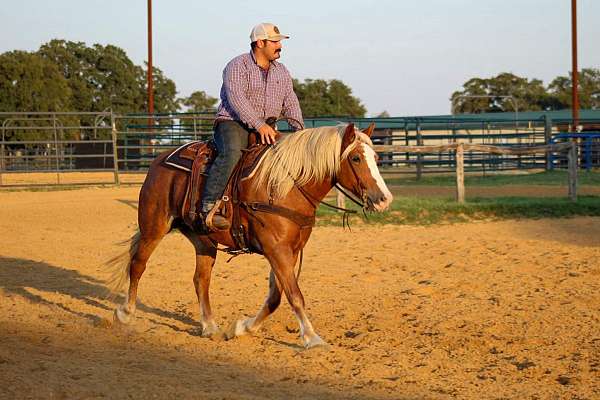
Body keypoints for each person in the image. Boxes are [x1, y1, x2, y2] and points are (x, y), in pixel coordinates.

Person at [201, 22, 304, 230]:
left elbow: (291, 102)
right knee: (232, 152)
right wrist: (258, 125)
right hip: (233, 122)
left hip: (267, 126)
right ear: (260, 43)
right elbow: (237, 99)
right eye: (275, 42)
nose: (280, 46)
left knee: (287, 158)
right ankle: (209, 205)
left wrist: (299, 132)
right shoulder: (237, 66)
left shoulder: (282, 72)